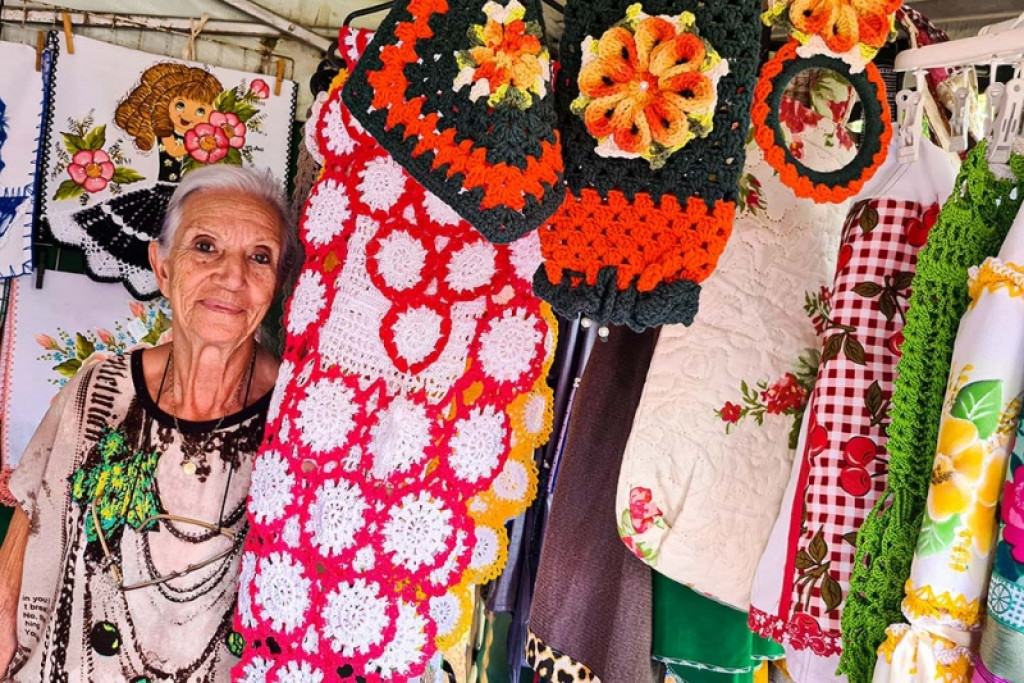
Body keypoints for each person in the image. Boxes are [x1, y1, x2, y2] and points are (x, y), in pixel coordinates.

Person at [0, 163, 299, 681]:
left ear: (277, 284)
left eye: (260, 256)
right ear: (162, 268)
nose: (232, 276)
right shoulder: (99, 388)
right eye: (205, 246)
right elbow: (25, 537)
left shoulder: (298, 416)